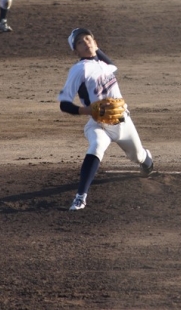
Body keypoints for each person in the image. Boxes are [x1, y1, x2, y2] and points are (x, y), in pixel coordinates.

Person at [58, 28, 155, 211]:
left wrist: (96, 48)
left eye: (88, 39)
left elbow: (110, 64)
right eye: (80, 42)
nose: (85, 43)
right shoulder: (79, 69)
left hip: (123, 122)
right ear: (75, 51)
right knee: (96, 147)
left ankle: (146, 160)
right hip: (99, 125)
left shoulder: (105, 64)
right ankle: (80, 197)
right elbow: (64, 104)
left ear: (95, 42)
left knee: (138, 156)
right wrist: (87, 110)